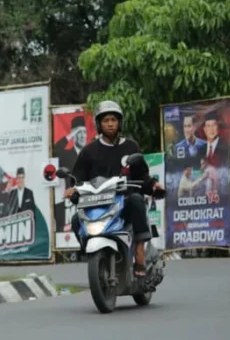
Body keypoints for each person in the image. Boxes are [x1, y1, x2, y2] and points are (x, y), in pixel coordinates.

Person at [63, 100, 164, 277]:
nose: (110, 124)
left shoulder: (130, 147)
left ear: (119, 123)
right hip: (97, 204)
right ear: (99, 125)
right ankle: (92, 254)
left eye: (113, 120)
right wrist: (72, 190)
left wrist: (153, 186)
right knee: (76, 220)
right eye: (105, 120)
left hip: (123, 203)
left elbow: (142, 176)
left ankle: (139, 251)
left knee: (136, 200)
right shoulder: (88, 151)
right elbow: (78, 179)